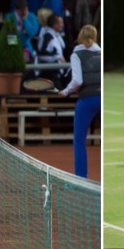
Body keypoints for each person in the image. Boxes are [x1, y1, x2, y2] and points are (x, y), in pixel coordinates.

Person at [59, 25, 101, 178]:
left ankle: (81, 177)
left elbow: (77, 80)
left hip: (87, 99)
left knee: (79, 139)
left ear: (80, 37)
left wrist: (66, 91)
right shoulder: (101, 52)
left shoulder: (77, 54)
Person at [35, 14, 67, 85]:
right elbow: (41, 55)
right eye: (61, 23)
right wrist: (57, 57)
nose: (62, 25)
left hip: (56, 73)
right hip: (49, 75)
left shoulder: (56, 35)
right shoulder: (47, 37)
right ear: (55, 25)